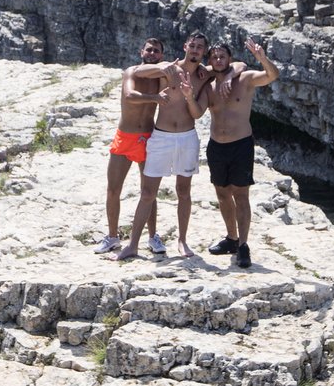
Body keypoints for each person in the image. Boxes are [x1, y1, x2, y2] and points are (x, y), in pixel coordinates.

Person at [117, 33, 240, 260]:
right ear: (185, 46)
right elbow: (136, 71)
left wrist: (230, 75)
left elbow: (239, 64)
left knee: (183, 192)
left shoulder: (205, 75)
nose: (194, 50)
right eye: (192, 46)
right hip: (161, 137)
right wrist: (165, 68)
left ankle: (182, 241)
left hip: (187, 137)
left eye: (199, 48)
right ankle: (133, 244)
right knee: (147, 192)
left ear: (204, 52)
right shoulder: (170, 68)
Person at [204, 39, 279, 269]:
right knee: (222, 194)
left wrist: (262, 58)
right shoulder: (207, 83)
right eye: (214, 57)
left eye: (222, 56)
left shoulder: (245, 80)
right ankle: (231, 239)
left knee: (241, 195)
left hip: (240, 145)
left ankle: (244, 245)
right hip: (216, 145)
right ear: (210, 61)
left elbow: (272, 75)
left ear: (230, 58)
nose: (218, 60)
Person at [96, 38, 168, 255]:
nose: (152, 53)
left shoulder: (160, 76)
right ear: (141, 51)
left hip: (148, 137)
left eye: (156, 51)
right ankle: (112, 236)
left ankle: (152, 236)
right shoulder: (132, 72)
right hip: (125, 137)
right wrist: (155, 97)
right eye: (149, 49)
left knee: (149, 191)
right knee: (113, 188)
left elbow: (179, 71)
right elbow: (129, 95)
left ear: (160, 56)